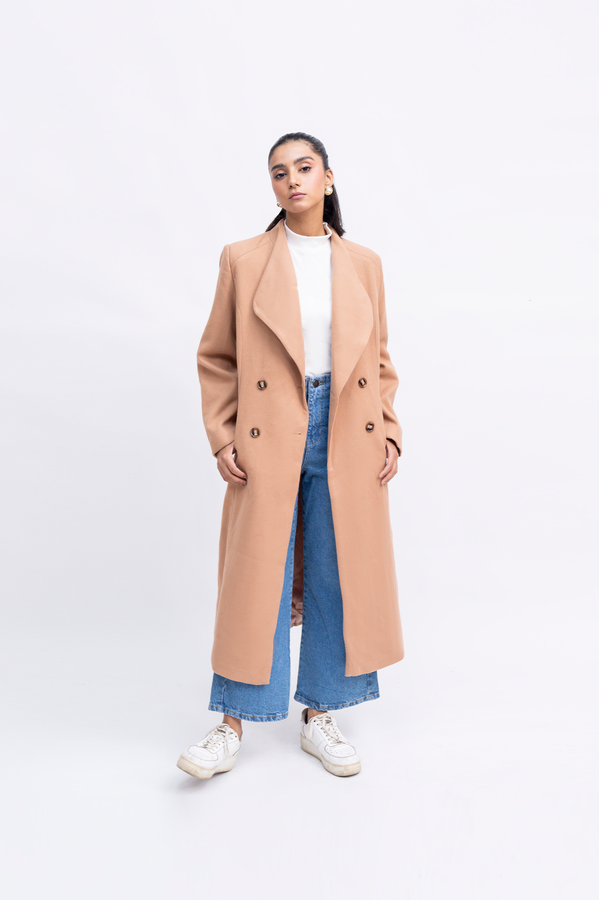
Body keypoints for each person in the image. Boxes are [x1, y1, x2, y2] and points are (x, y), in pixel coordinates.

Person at [176, 131, 404, 780]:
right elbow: (216, 356)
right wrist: (222, 433)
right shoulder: (243, 259)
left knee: (336, 571)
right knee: (258, 576)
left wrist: (389, 431)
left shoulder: (363, 264)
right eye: (279, 172)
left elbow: (379, 358)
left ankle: (320, 714)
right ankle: (231, 724)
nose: (292, 180)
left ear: (328, 178)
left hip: (348, 428)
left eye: (304, 168)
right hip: (268, 427)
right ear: (273, 186)